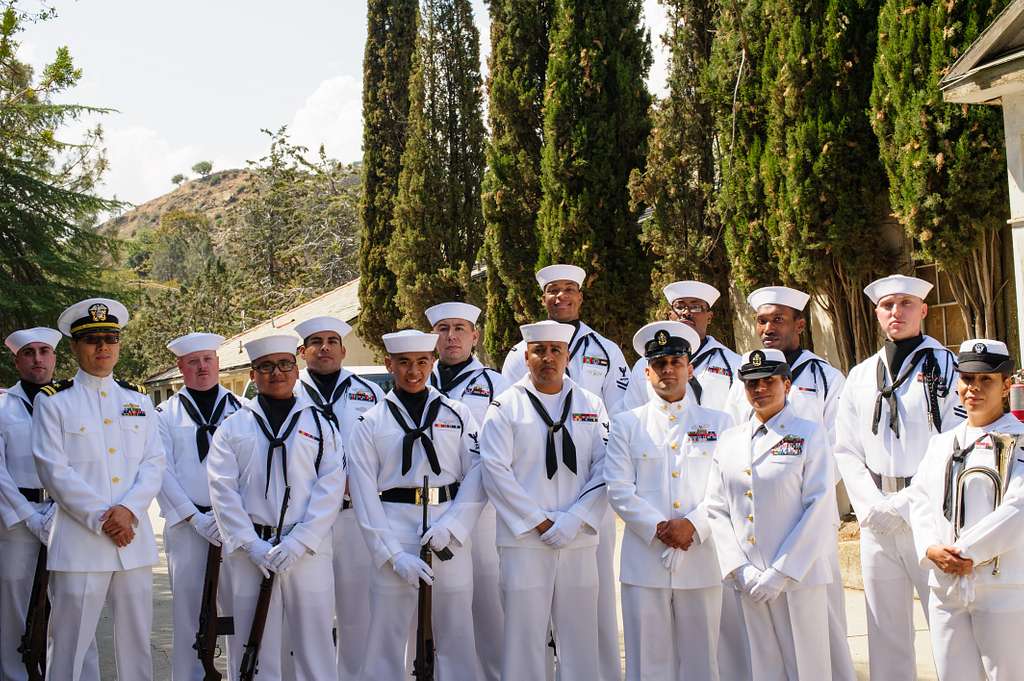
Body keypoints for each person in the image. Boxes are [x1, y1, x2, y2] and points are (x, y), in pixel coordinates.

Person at [721, 285, 854, 681]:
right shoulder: (740, 380)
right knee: (761, 645)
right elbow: (732, 445)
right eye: (762, 320)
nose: (767, 327)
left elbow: (837, 446)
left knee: (818, 633)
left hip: (808, 526)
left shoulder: (827, 377)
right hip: (755, 529)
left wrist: (796, 506)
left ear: (799, 324)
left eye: (778, 319)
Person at [500, 264, 626, 681]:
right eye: (554, 290)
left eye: (570, 289)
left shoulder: (606, 351)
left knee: (590, 614)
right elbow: (501, 456)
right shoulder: (518, 358)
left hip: (586, 515)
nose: (562, 297)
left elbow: (613, 440)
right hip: (526, 525)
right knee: (525, 629)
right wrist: (536, 519)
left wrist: (575, 518)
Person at [834, 274, 962, 681]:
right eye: (887, 305)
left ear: (923, 310)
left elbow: (952, 443)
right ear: (876, 313)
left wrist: (906, 503)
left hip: (929, 514)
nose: (896, 312)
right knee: (884, 627)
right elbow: (846, 449)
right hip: (876, 517)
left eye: (906, 303)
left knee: (945, 623)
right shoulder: (860, 374)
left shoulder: (948, 367)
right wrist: (871, 506)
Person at [32, 298, 166, 681]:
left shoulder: (138, 400)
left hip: (132, 542)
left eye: (110, 338)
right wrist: (104, 518)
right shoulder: (55, 402)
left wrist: (130, 512)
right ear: (75, 347)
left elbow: (153, 463)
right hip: (80, 542)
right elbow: (53, 469)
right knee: (70, 647)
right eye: (92, 340)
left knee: (137, 645)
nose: (103, 347)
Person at [348, 329, 486, 681]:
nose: (414, 371)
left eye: (422, 362)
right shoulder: (369, 423)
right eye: (404, 363)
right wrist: (393, 555)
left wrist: (452, 527)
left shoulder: (457, 414)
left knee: (456, 633)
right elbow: (364, 497)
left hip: (447, 532)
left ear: (432, 362)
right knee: (386, 638)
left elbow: (477, 474)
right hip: (394, 527)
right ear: (388, 364)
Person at [207, 333, 345, 681]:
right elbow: (222, 490)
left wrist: (299, 541)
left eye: (284, 365)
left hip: (307, 552)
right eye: (265, 367)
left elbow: (330, 487)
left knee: (314, 646)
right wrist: (252, 545)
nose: (276, 373)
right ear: (252, 374)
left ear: (296, 370)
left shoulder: (320, 424)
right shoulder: (232, 426)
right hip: (251, 553)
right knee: (254, 648)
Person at [481, 320, 610, 681]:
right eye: (540, 351)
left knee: (581, 638)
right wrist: (538, 520)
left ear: (568, 356)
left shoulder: (591, 403)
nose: (548, 358)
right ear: (526, 356)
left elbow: (605, 466)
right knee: (524, 639)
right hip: (524, 541)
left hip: (578, 539)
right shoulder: (505, 406)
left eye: (556, 350)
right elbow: (495, 470)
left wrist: (575, 518)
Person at [606, 321, 732, 681]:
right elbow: (617, 487)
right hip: (645, 564)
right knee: (648, 664)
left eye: (676, 361)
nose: (668, 370)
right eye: (659, 364)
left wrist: (693, 525)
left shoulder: (719, 422)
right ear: (647, 372)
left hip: (701, 558)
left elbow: (726, 486)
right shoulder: (626, 424)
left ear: (690, 368)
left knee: (702, 663)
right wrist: (661, 528)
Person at [706, 349, 836, 681]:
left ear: (787, 384)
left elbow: (819, 506)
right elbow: (716, 508)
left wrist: (782, 571)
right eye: (752, 384)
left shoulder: (810, 433)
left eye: (769, 381)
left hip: (798, 577)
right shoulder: (730, 440)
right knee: (758, 668)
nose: (760, 389)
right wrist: (739, 568)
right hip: (748, 579)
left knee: (807, 668)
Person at [907, 339, 1024, 681]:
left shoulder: (1020, 439)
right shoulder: (942, 442)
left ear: (1005, 386)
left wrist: (963, 552)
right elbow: (920, 499)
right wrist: (930, 548)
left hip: (1000, 587)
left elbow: (1019, 506)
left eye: (986, 380)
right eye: (967, 379)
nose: (974, 388)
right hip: (945, 586)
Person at [0, 328, 100, 681]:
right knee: (15, 604)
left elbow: (87, 462)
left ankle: (79, 675)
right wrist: (30, 517)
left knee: (76, 604)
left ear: (56, 358)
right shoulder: (2, 406)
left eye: (45, 351)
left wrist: (63, 508)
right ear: (17, 360)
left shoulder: (72, 402)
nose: (38, 359)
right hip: (16, 520)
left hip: (69, 515)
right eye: (29, 353)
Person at [292, 315, 384, 681]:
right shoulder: (288, 391)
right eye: (316, 341)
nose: (325, 347)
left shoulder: (370, 392)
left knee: (356, 611)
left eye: (332, 340)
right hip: (305, 518)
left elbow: (384, 449)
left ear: (344, 349)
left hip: (352, 517)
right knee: (310, 611)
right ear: (302, 352)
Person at [425, 302, 510, 681]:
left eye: (460, 328)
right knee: (444, 608)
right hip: (436, 506)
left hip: (485, 508)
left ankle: (495, 674)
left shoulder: (496, 384)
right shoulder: (420, 384)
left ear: (475, 336)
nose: (451, 335)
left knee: (489, 604)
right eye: (443, 328)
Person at [155, 332, 241, 681]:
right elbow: (160, 470)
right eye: (193, 361)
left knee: (240, 609)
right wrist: (194, 517)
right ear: (180, 367)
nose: (202, 367)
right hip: (186, 526)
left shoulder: (241, 409)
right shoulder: (162, 414)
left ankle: (241, 673)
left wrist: (227, 517)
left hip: (233, 528)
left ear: (218, 363)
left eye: (207, 359)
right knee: (188, 614)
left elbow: (248, 471)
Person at [622, 281, 740, 412]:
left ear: (709, 317)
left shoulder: (733, 363)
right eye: (679, 306)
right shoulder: (645, 364)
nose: (686, 312)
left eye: (696, 307)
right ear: (670, 314)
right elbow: (632, 413)